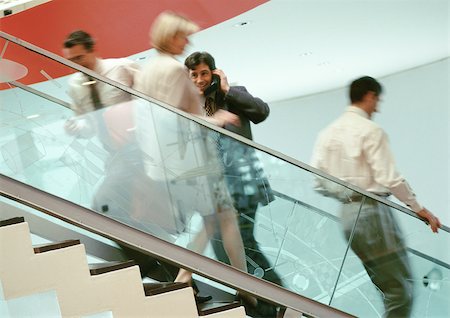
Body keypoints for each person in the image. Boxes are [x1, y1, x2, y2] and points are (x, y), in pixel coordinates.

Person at [134, 11, 256, 306]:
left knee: (214, 219)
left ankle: (188, 275)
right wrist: (222, 117)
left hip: (163, 165)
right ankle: (245, 288)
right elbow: (193, 118)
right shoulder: (174, 70)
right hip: (192, 163)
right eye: (182, 36)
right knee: (225, 217)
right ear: (170, 36)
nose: (187, 42)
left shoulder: (147, 70)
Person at [311, 76, 441, 317]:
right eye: (377, 100)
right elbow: (390, 178)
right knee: (400, 290)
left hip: (347, 216)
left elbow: (318, 181)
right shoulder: (370, 131)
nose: (378, 107)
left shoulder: (327, 134)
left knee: (386, 287)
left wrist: (346, 191)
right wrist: (419, 208)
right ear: (370, 96)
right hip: (372, 211)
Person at [62, 30, 181, 283]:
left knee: (102, 203)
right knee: (125, 215)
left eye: (81, 57)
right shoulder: (75, 86)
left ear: (92, 50)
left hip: (140, 150)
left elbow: (154, 99)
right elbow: (89, 125)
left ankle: (152, 267)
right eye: (72, 59)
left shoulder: (122, 68)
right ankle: (175, 271)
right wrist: (77, 127)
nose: (77, 64)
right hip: (115, 156)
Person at [185, 51, 282, 315]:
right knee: (229, 248)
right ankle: (269, 301)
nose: (199, 79)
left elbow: (261, 112)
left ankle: (274, 302)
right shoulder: (190, 106)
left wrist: (226, 89)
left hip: (242, 186)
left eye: (204, 73)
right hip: (214, 190)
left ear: (215, 73)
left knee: (240, 245)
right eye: (194, 74)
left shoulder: (232, 95)